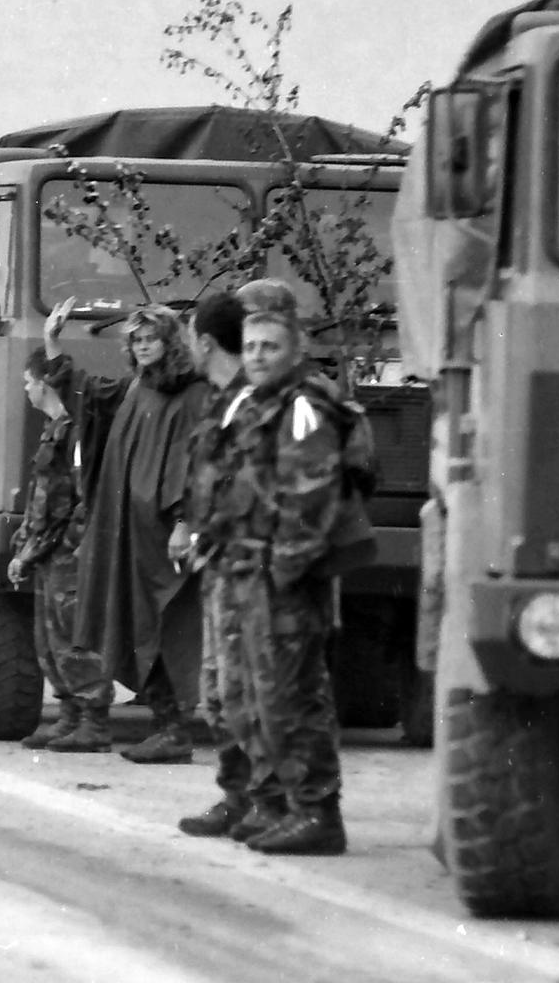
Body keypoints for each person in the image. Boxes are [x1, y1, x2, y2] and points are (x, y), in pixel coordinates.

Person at [189, 277, 349, 855]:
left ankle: (314, 812)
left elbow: (309, 497)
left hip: (281, 578)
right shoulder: (251, 403)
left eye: (269, 346)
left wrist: (284, 571)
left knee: (292, 696)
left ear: (295, 347)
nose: (256, 356)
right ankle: (267, 800)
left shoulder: (303, 405)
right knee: (249, 696)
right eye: (250, 345)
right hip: (245, 570)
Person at [45, 296, 211, 764]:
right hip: (127, 535)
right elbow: (88, 397)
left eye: (151, 338)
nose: (142, 346)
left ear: (170, 341)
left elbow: (195, 463)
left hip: (162, 538)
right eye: (135, 340)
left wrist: (184, 522)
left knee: (166, 625)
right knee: (135, 624)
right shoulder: (138, 388)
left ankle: (175, 728)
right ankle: (164, 723)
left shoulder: (193, 395)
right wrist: (52, 344)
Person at [174, 290, 275, 838]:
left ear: (205, 341)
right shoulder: (221, 400)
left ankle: (263, 799)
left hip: (247, 568)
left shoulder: (252, 401)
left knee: (245, 691)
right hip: (219, 563)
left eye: (190, 334)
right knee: (218, 690)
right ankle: (237, 796)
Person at [5, 347, 114, 752]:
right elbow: (42, 500)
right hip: (46, 552)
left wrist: (62, 546)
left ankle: (94, 722)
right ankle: (69, 715)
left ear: (45, 383)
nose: (27, 390)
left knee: (74, 638)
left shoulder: (74, 434)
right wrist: (26, 547)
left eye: (29, 382)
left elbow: (82, 501)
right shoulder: (52, 430)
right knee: (49, 641)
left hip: (67, 553)